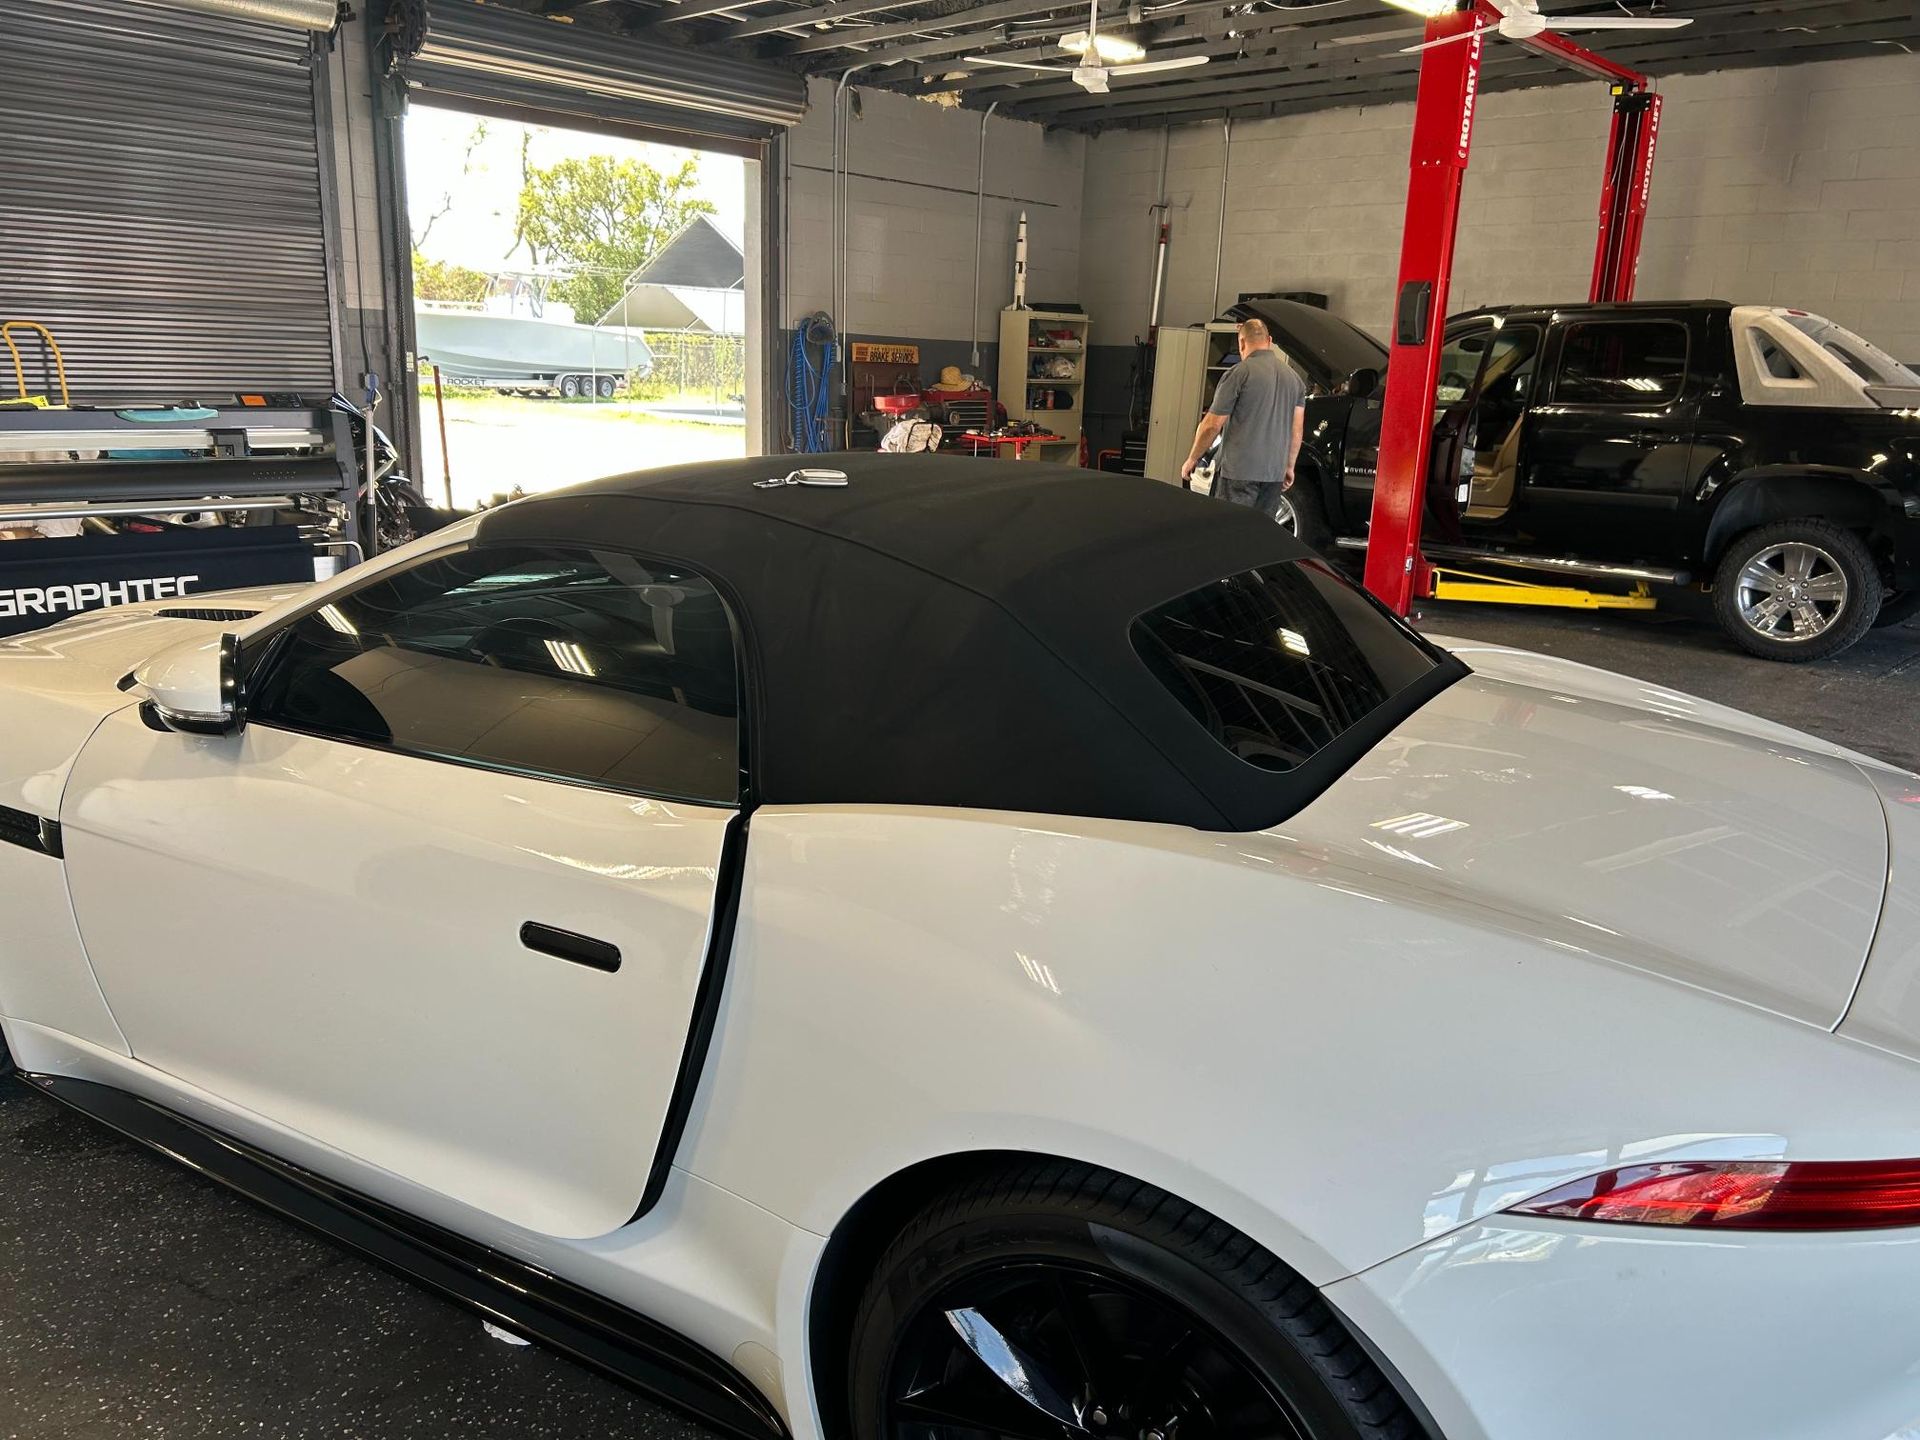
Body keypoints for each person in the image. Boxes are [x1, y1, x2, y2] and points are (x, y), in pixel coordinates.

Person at [1180, 318, 1306, 520]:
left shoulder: (1239, 373)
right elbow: (1296, 430)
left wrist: (1193, 458)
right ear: (1269, 340)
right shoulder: (1295, 380)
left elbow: (1212, 425)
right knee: (1260, 535)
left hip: (1238, 472)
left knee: (1229, 532)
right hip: (1274, 474)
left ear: (1241, 343)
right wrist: (1289, 466)